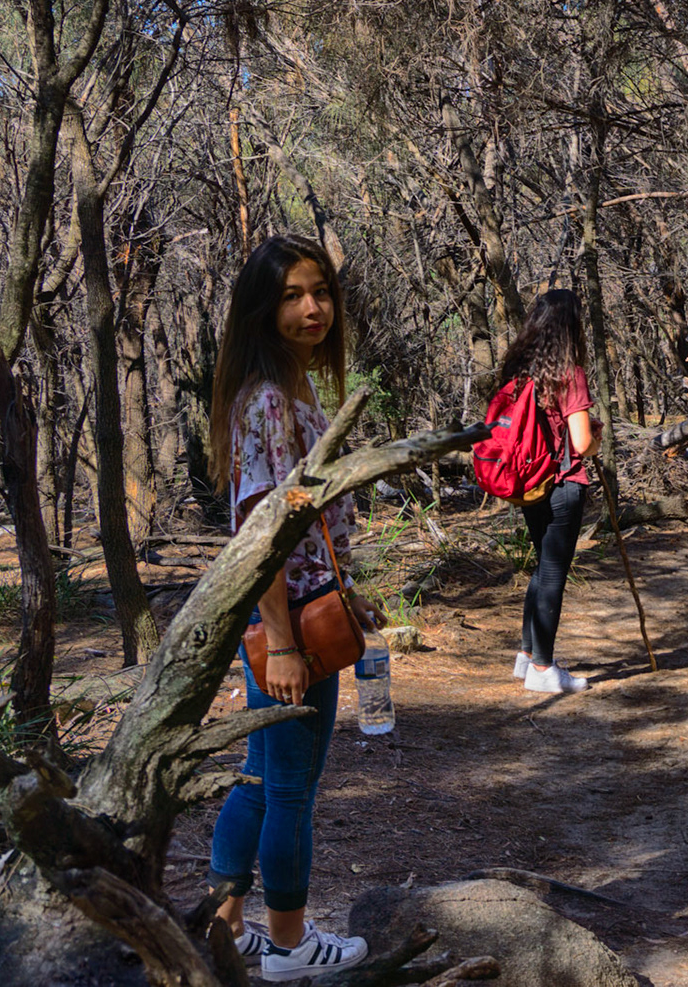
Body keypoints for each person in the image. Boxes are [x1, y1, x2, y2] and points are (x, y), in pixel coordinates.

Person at [204, 235, 383, 980]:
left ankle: (227, 928)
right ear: (261, 309)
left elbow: (308, 524)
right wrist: (279, 642)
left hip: (307, 606)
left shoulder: (294, 386)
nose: (313, 308)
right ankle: (289, 945)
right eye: (291, 296)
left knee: (258, 774)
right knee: (289, 790)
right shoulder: (271, 399)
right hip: (289, 622)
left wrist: (347, 587)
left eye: (321, 291)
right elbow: (264, 530)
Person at [500, 289, 598, 693]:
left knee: (542, 568)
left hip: (530, 484)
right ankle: (543, 670)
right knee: (553, 573)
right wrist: (596, 441)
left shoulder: (521, 373)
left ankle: (527, 657)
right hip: (562, 485)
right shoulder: (569, 374)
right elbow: (582, 443)